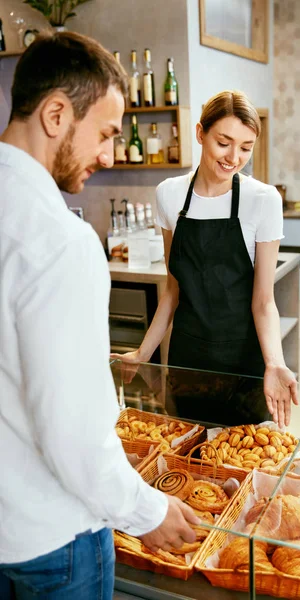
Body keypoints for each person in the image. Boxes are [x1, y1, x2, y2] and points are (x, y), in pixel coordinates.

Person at [0, 31, 199, 600]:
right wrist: (144, 510)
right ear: (57, 114)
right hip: (54, 537)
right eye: (107, 134)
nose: (110, 155)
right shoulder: (60, 240)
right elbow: (72, 428)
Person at [112, 90, 298, 429]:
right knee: (189, 458)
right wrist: (142, 353)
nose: (234, 157)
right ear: (200, 133)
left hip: (243, 359)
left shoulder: (263, 200)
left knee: (241, 462)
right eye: (224, 143)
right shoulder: (169, 194)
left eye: (245, 147)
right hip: (188, 359)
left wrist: (274, 363)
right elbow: (173, 290)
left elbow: (263, 301)